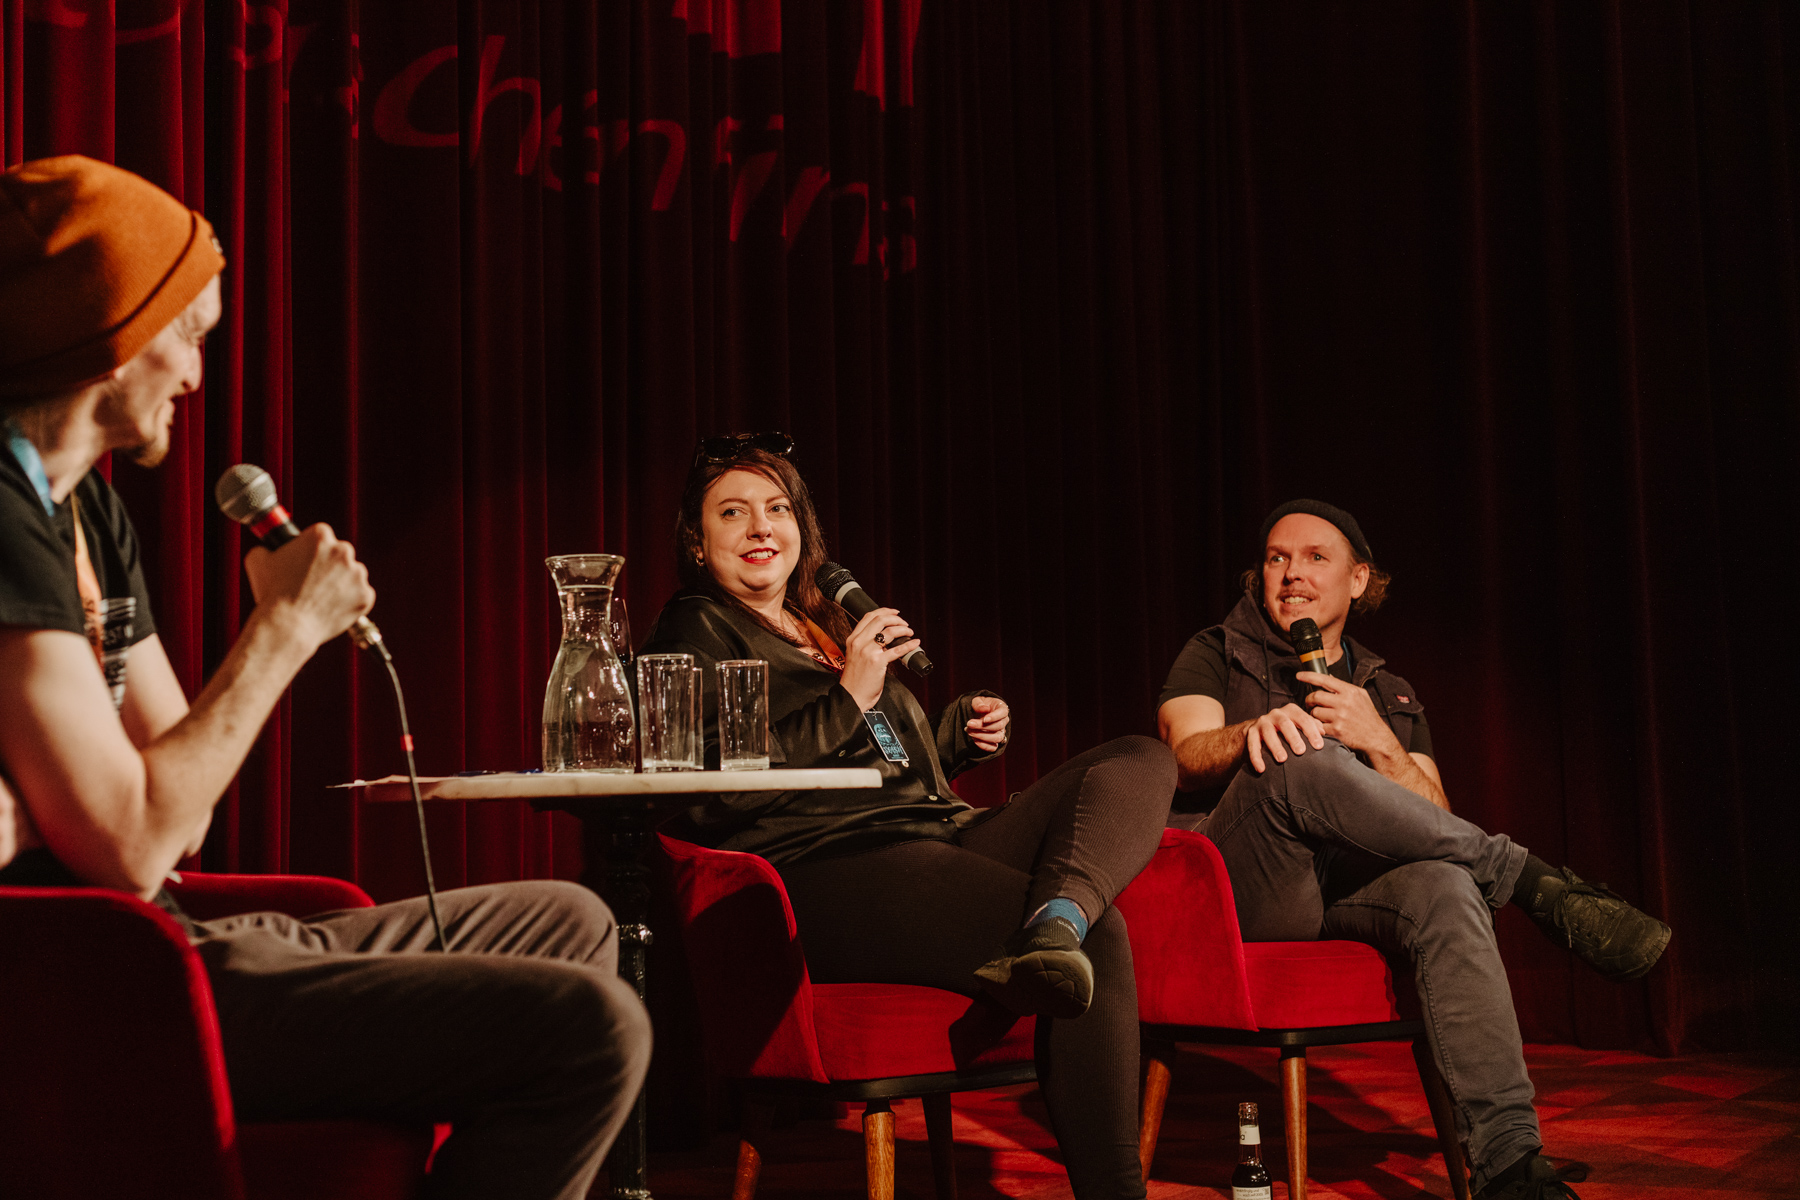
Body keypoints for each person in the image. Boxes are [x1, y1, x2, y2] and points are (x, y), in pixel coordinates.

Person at [0, 155, 650, 1200]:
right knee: (594, 1030)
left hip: (168, 927)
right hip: (99, 978)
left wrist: (54, 802)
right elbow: (130, 841)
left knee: (571, 919)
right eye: (187, 337)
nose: (195, 377)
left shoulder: (89, 511)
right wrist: (287, 626)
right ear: (111, 337)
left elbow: (180, 813)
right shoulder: (4, 512)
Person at [640, 432, 1177, 1200]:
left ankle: (1057, 918)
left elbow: (872, 766)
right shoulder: (697, 627)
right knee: (1106, 932)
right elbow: (722, 786)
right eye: (733, 512)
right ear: (698, 541)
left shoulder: (819, 623)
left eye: (777, 509)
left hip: (927, 833)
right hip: (822, 869)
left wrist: (952, 738)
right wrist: (850, 695)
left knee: (1139, 757)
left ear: (801, 528)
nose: (761, 527)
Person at [1157, 498, 1672, 1200]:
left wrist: (1380, 741)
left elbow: (1436, 820)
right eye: (1277, 558)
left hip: (1340, 890)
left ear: (1358, 581)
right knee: (1298, 753)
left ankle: (1510, 1166)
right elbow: (1183, 754)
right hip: (1238, 883)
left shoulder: (1388, 691)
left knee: (1448, 886)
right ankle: (1529, 880)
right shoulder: (1218, 649)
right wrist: (1256, 732)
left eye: (1315, 558)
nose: (1291, 573)